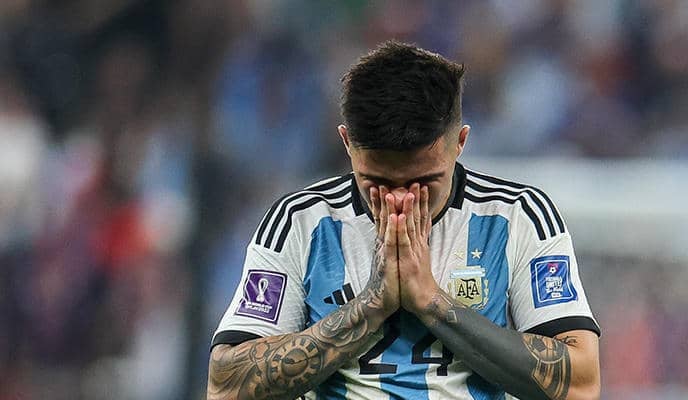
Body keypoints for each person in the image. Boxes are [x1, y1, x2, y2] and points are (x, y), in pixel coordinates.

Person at [207, 41, 601, 400]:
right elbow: (225, 387)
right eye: (377, 182)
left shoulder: (518, 215)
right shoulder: (300, 221)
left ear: (460, 142)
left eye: (423, 182)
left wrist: (431, 302)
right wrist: (370, 308)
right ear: (347, 143)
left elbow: (581, 385)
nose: (400, 200)